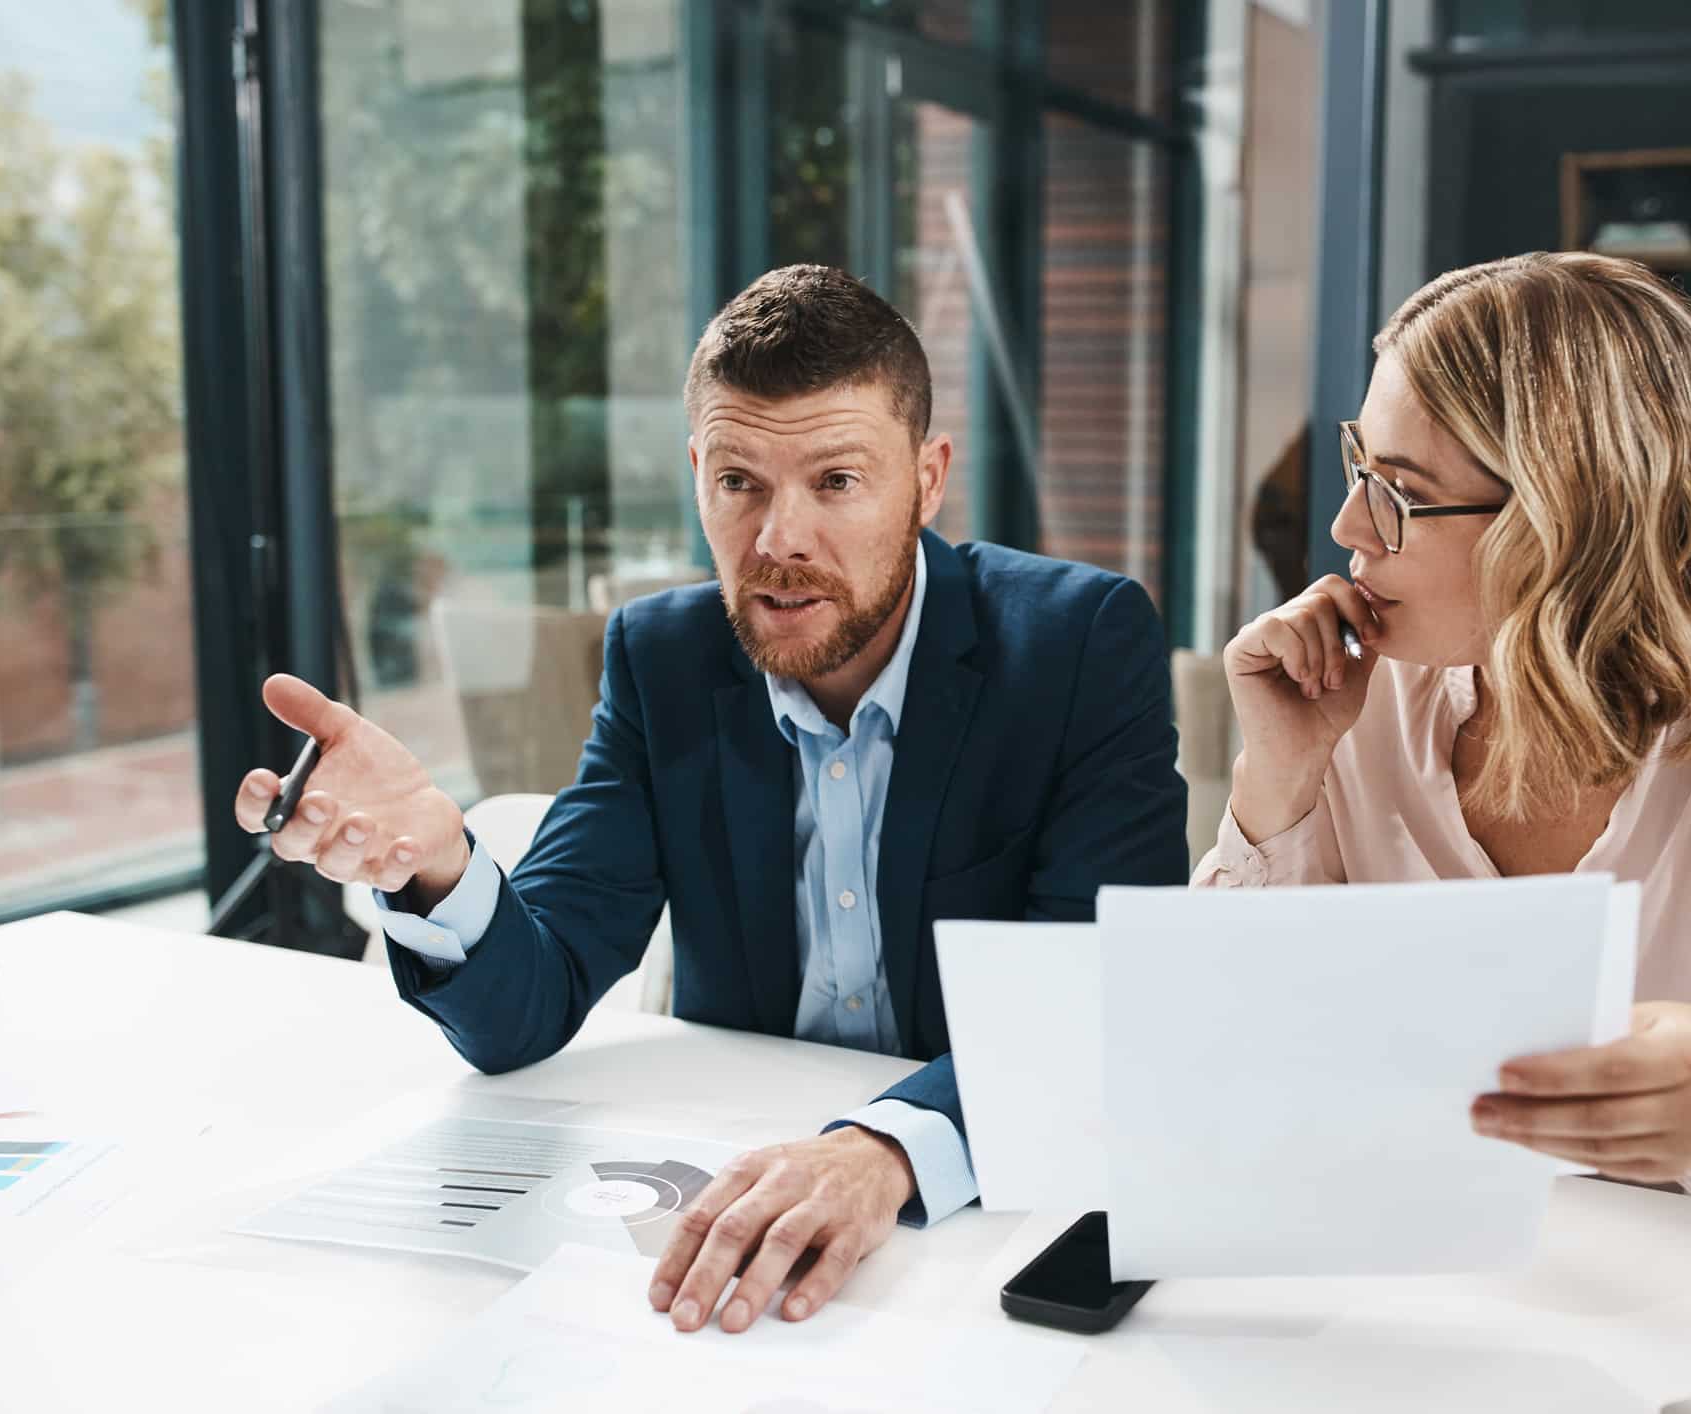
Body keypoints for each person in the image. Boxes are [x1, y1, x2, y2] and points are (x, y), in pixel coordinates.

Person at [235, 264, 1188, 1328]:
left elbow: (1096, 999)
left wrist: (883, 1149)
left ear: (928, 479)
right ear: (697, 472)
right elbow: (526, 1008)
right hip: (728, 1216)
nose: (779, 539)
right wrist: (436, 865)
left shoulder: (1077, 645)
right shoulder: (664, 658)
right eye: (741, 482)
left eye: (836, 481)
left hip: (981, 1226)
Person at [1196, 251, 1691, 1258]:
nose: (1345, 529)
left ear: (1566, 522)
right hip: (1441, 1278)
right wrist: (1276, 781)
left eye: (1399, 492)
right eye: (1359, 471)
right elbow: (1218, 1061)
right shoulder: (1361, 694)